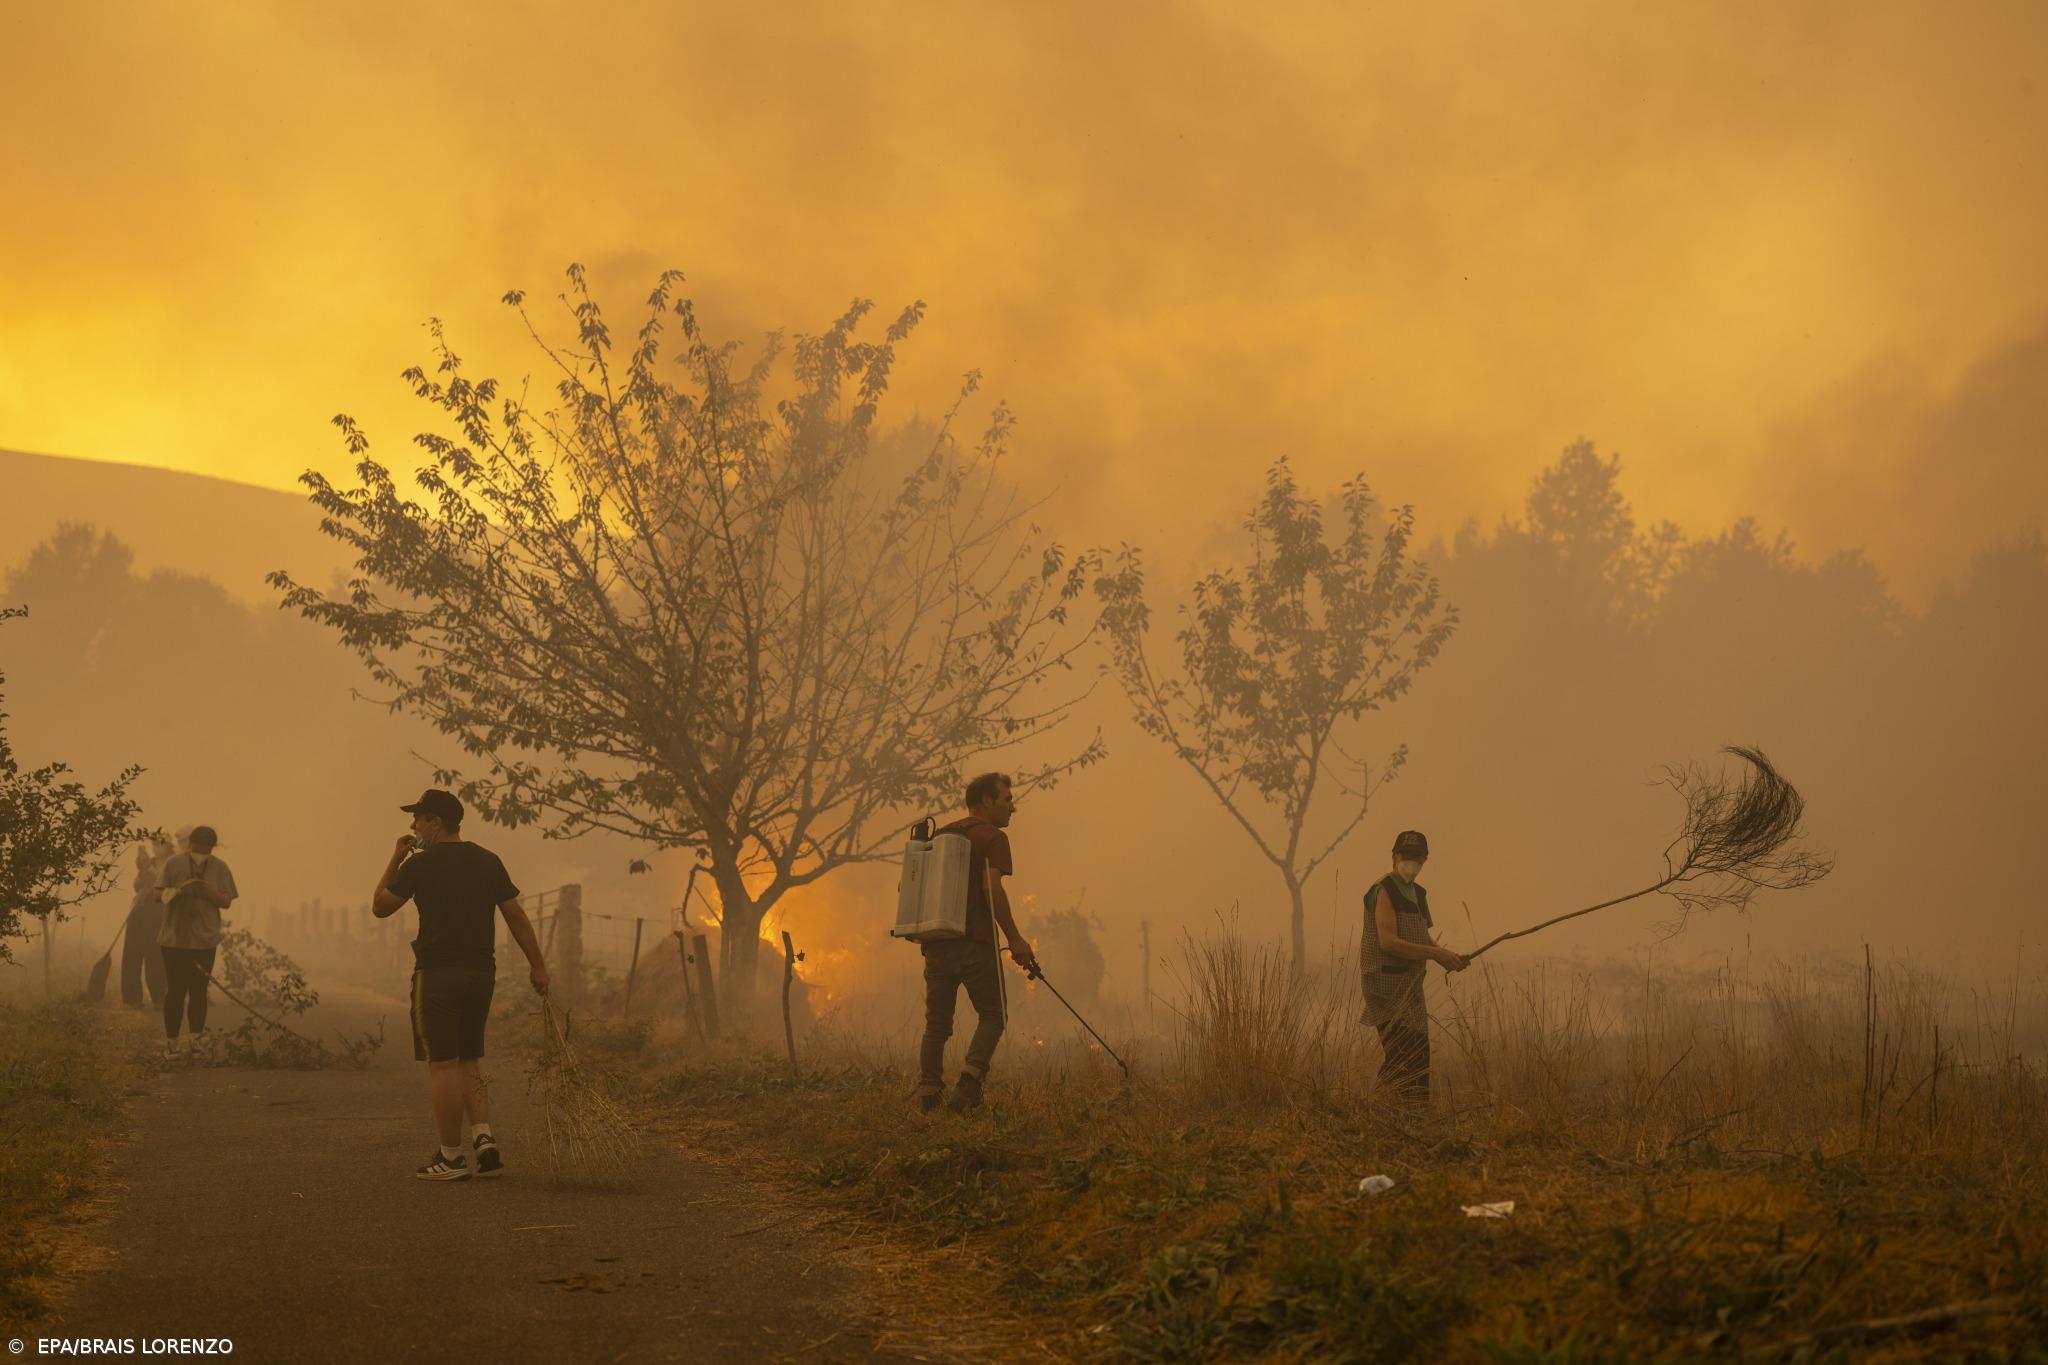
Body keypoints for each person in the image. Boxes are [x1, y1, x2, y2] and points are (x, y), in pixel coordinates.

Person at [373, 788, 549, 1182]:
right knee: (469, 1058)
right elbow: (515, 915)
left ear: (436, 822)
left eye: (418, 818)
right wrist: (538, 966)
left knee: (443, 1065)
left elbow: (380, 906)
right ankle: (483, 1140)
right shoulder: (488, 860)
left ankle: (451, 1157)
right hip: (480, 975)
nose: (413, 825)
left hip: (437, 974)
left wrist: (396, 857)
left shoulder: (420, 864)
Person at [917, 772, 1039, 1114]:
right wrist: (1015, 939)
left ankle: (928, 1093)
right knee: (993, 1015)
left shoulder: (941, 835)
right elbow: (991, 888)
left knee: (936, 1024)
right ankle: (968, 1085)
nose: (1012, 808)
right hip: (975, 943)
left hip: (936, 943)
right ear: (987, 800)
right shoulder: (992, 837)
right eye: (1007, 799)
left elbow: (910, 889)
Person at [1359, 830, 1467, 1107]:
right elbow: (1388, 942)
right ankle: (1374, 1111)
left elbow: (1422, 936)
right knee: (1402, 1056)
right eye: (1406, 857)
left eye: (1418, 858)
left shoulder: (1418, 893)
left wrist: (1446, 957)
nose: (1411, 863)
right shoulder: (1383, 889)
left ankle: (1411, 1118)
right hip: (1384, 986)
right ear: (1394, 857)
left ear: (1425, 859)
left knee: (1418, 1057)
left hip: (1410, 986)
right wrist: (1435, 952)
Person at [155, 825, 239, 1057]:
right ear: (189, 845)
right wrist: (180, 890)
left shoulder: (220, 868)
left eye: (206, 850)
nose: (201, 854)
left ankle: (195, 1041)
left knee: (199, 991)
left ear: (213, 848)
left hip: (204, 939)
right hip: (174, 938)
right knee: (175, 990)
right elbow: (157, 896)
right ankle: (172, 1042)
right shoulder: (173, 864)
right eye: (197, 850)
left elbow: (226, 901)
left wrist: (209, 892)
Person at [119, 838, 171, 1010]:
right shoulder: (148, 862)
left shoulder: (174, 862)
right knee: (132, 956)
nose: (156, 847)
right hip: (140, 913)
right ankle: (132, 1000)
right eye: (154, 843)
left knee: (155, 957)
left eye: (160, 843)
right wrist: (143, 872)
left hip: (158, 915)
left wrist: (148, 870)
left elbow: (162, 887)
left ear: (168, 845)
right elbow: (137, 886)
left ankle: (159, 998)